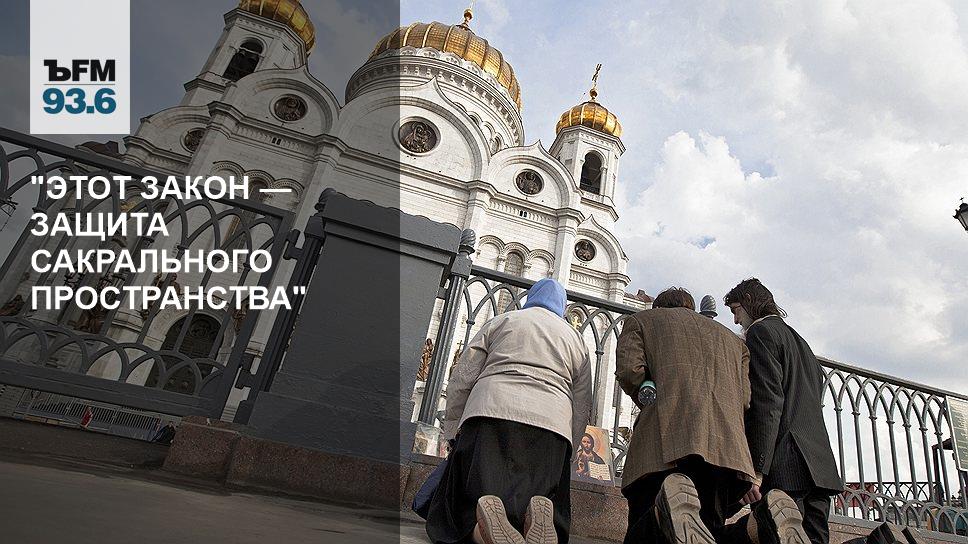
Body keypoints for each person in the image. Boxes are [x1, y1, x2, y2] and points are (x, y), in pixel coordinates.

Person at [425, 278, 592, 544]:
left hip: (490, 413)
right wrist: (568, 446)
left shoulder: (502, 321)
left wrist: (454, 428)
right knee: (541, 490)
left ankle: (482, 530)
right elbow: (582, 403)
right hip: (552, 423)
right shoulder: (576, 340)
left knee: (463, 501)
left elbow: (463, 377)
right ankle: (535, 518)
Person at [615, 287, 755, 544]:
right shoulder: (735, 343)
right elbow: (745, 399)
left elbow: (630, 372)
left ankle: (661, 514)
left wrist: (648, 393)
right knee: (708, 529)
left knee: (646, 525)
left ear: (659, 308)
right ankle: (757, 527)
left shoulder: (641, 321)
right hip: (723, 452)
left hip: (662, 447)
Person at [725, 278, 844, 544]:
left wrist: (756, 469)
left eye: (735, 310)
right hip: (819, 467)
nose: (735, 320)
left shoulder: (760, 333)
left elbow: (767, 404)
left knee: (774, 533)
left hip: (785, 464)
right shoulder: (802, 343)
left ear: (748, 301)